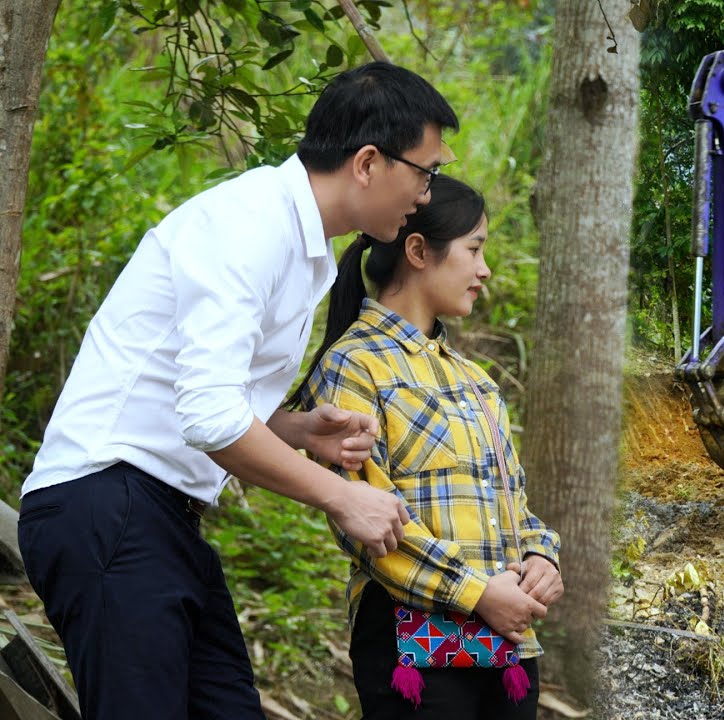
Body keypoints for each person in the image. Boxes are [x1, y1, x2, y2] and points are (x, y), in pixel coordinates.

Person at [18, 62, 458, 719]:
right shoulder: (249, 226)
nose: (425, 195)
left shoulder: (295, 242)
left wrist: (295, 429)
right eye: (425, 172)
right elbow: (210, 418)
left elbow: (203, 396)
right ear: (368, 163)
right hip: (107, 501)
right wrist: (342, 497)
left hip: (158, 514)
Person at [289, 176, 562, 719]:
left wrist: (540, 556)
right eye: (475, 249)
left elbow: (514, 505)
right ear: (418, 251)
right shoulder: (355, 365)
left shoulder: (477, 382)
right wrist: (479, 594)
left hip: (507, 647)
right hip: (414, 648)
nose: (484, 270)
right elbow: (366, 521)